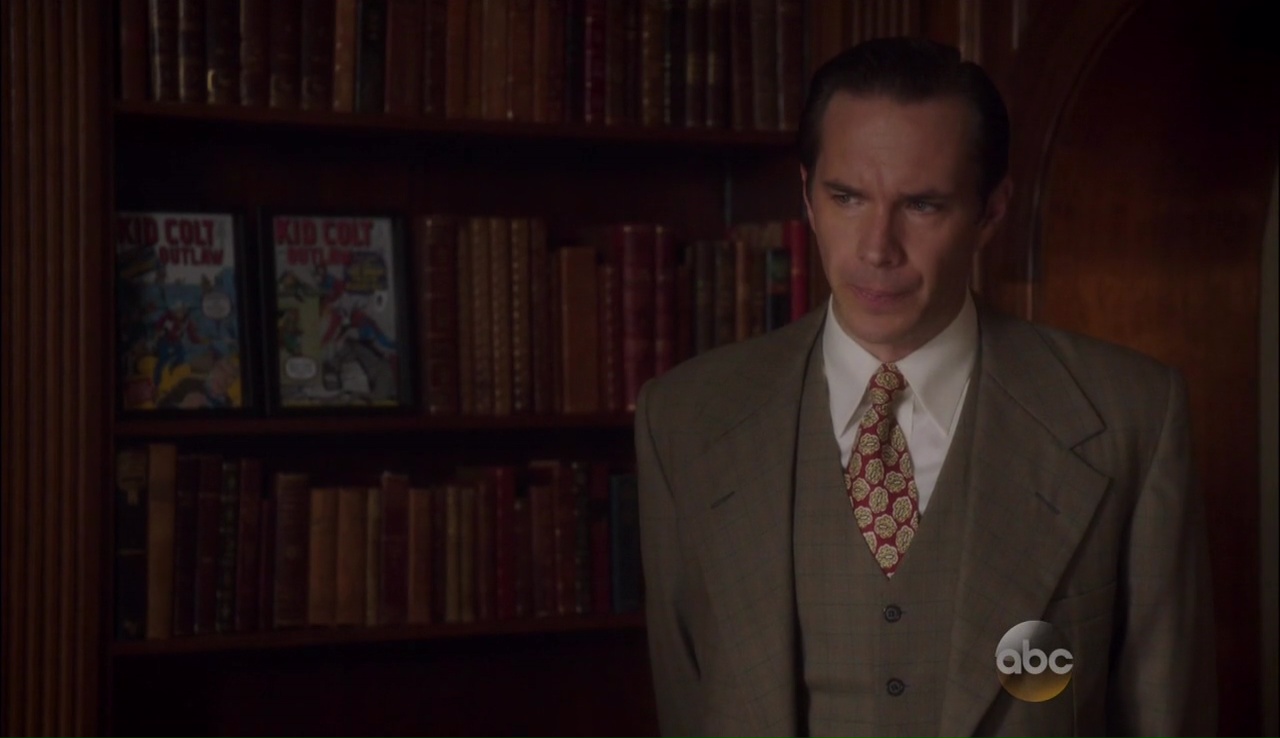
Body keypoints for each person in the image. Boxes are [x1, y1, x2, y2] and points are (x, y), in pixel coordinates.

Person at [634, 37, 1216, 738]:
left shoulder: (1132, 416)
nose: (876, 248)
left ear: (991, 212)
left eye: (922, 205)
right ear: (807, 197)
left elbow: (1165, 713)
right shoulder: (684, 419)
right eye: (847, 197)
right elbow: (689, 704)